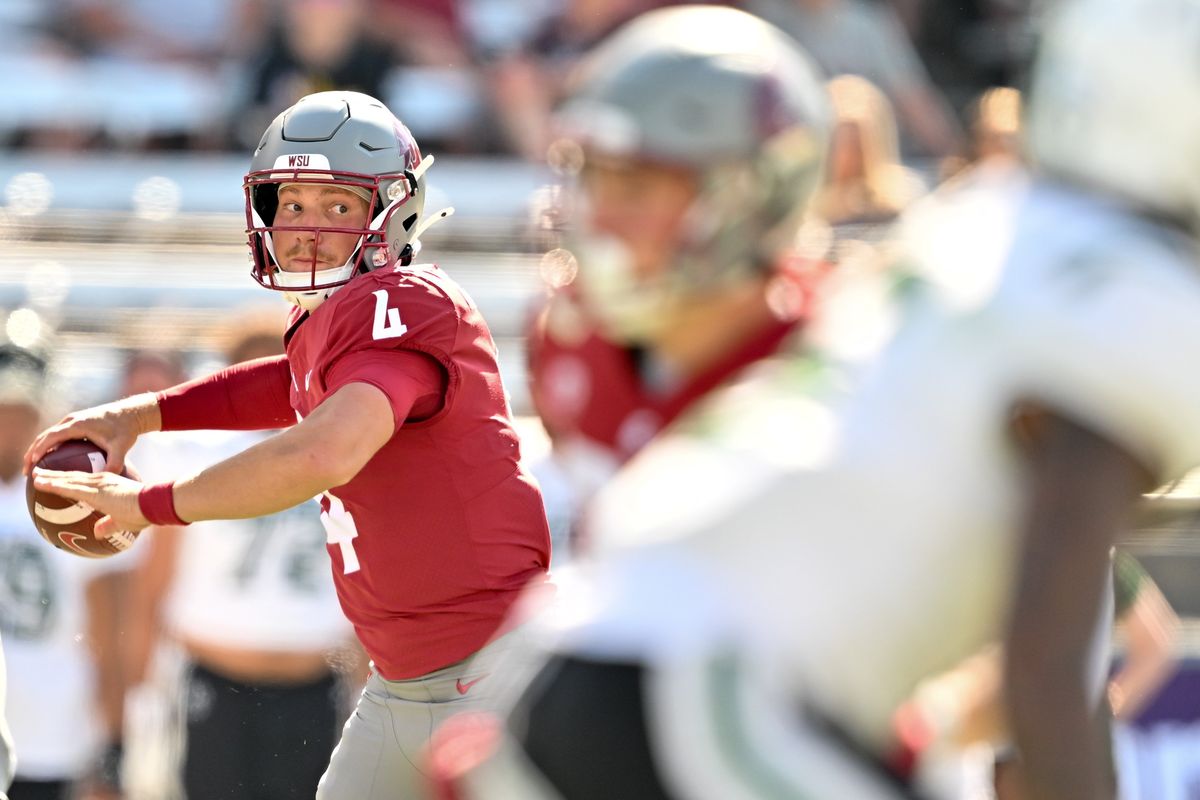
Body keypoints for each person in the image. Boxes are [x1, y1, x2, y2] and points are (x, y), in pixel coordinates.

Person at [431, 0, 1200, 797]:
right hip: (712, 686)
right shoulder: (1129, 298)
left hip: (596, 657)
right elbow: (1050, 659)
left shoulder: (990, 221)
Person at [27, 90, 551, 800]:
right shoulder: (331, 324)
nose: (307, 229)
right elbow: (288, 384)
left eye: (338, 206)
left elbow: (321, 451)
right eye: (292, 203)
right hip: (405, 683)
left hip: (484, 680)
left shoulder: (403, 303)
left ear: (393, 212)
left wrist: (149, 503)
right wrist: (143, 415)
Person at [522, 4, 833, 556]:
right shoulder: (565, 336)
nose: (598, 219)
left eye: (636, 189)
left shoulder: (833, 373)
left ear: (747, 200)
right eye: (593, 180)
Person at [120, 317, 362, 800]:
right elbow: (155, 579)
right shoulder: (192, 453)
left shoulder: (341, 456)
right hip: (215, 678)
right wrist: (139, 688)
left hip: (314, 681)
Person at [0, 343, 125, 800]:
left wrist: (113, 748)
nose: (9, 425)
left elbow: (110, 635)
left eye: (20, 409)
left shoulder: (73, 500)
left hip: (54, 729)